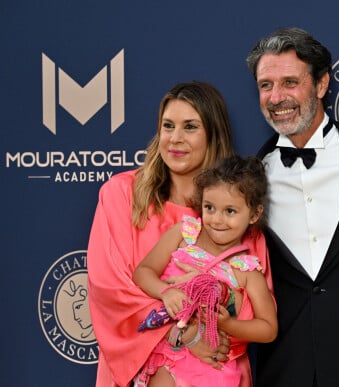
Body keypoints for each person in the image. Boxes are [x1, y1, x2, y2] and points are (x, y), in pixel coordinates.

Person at [87, 81, 271, 387]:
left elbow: (254, 310)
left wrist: (215, 319)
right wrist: (183, 335)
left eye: (190, 127)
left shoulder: (235, 214)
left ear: (213, 134)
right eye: (168, 126)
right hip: (141, 374)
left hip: (216, 371)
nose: (175, 138)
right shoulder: (120, 195)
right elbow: (111, 292)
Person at [247, 27, 339, 387]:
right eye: (266, 85)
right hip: (284, 368)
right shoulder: (250, 176)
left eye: (289, 82)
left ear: (321, 84)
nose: (276, 97)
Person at [132, 155, 277, 387]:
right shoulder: (184, 234)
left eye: (230, 211)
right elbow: (143, 271)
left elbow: (268, 328)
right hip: (168, 356)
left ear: (254, 214)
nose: (217, 219)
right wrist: (165, 292)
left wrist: (228, 325)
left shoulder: (247, 269)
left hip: (213, 369)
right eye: (209, 207)